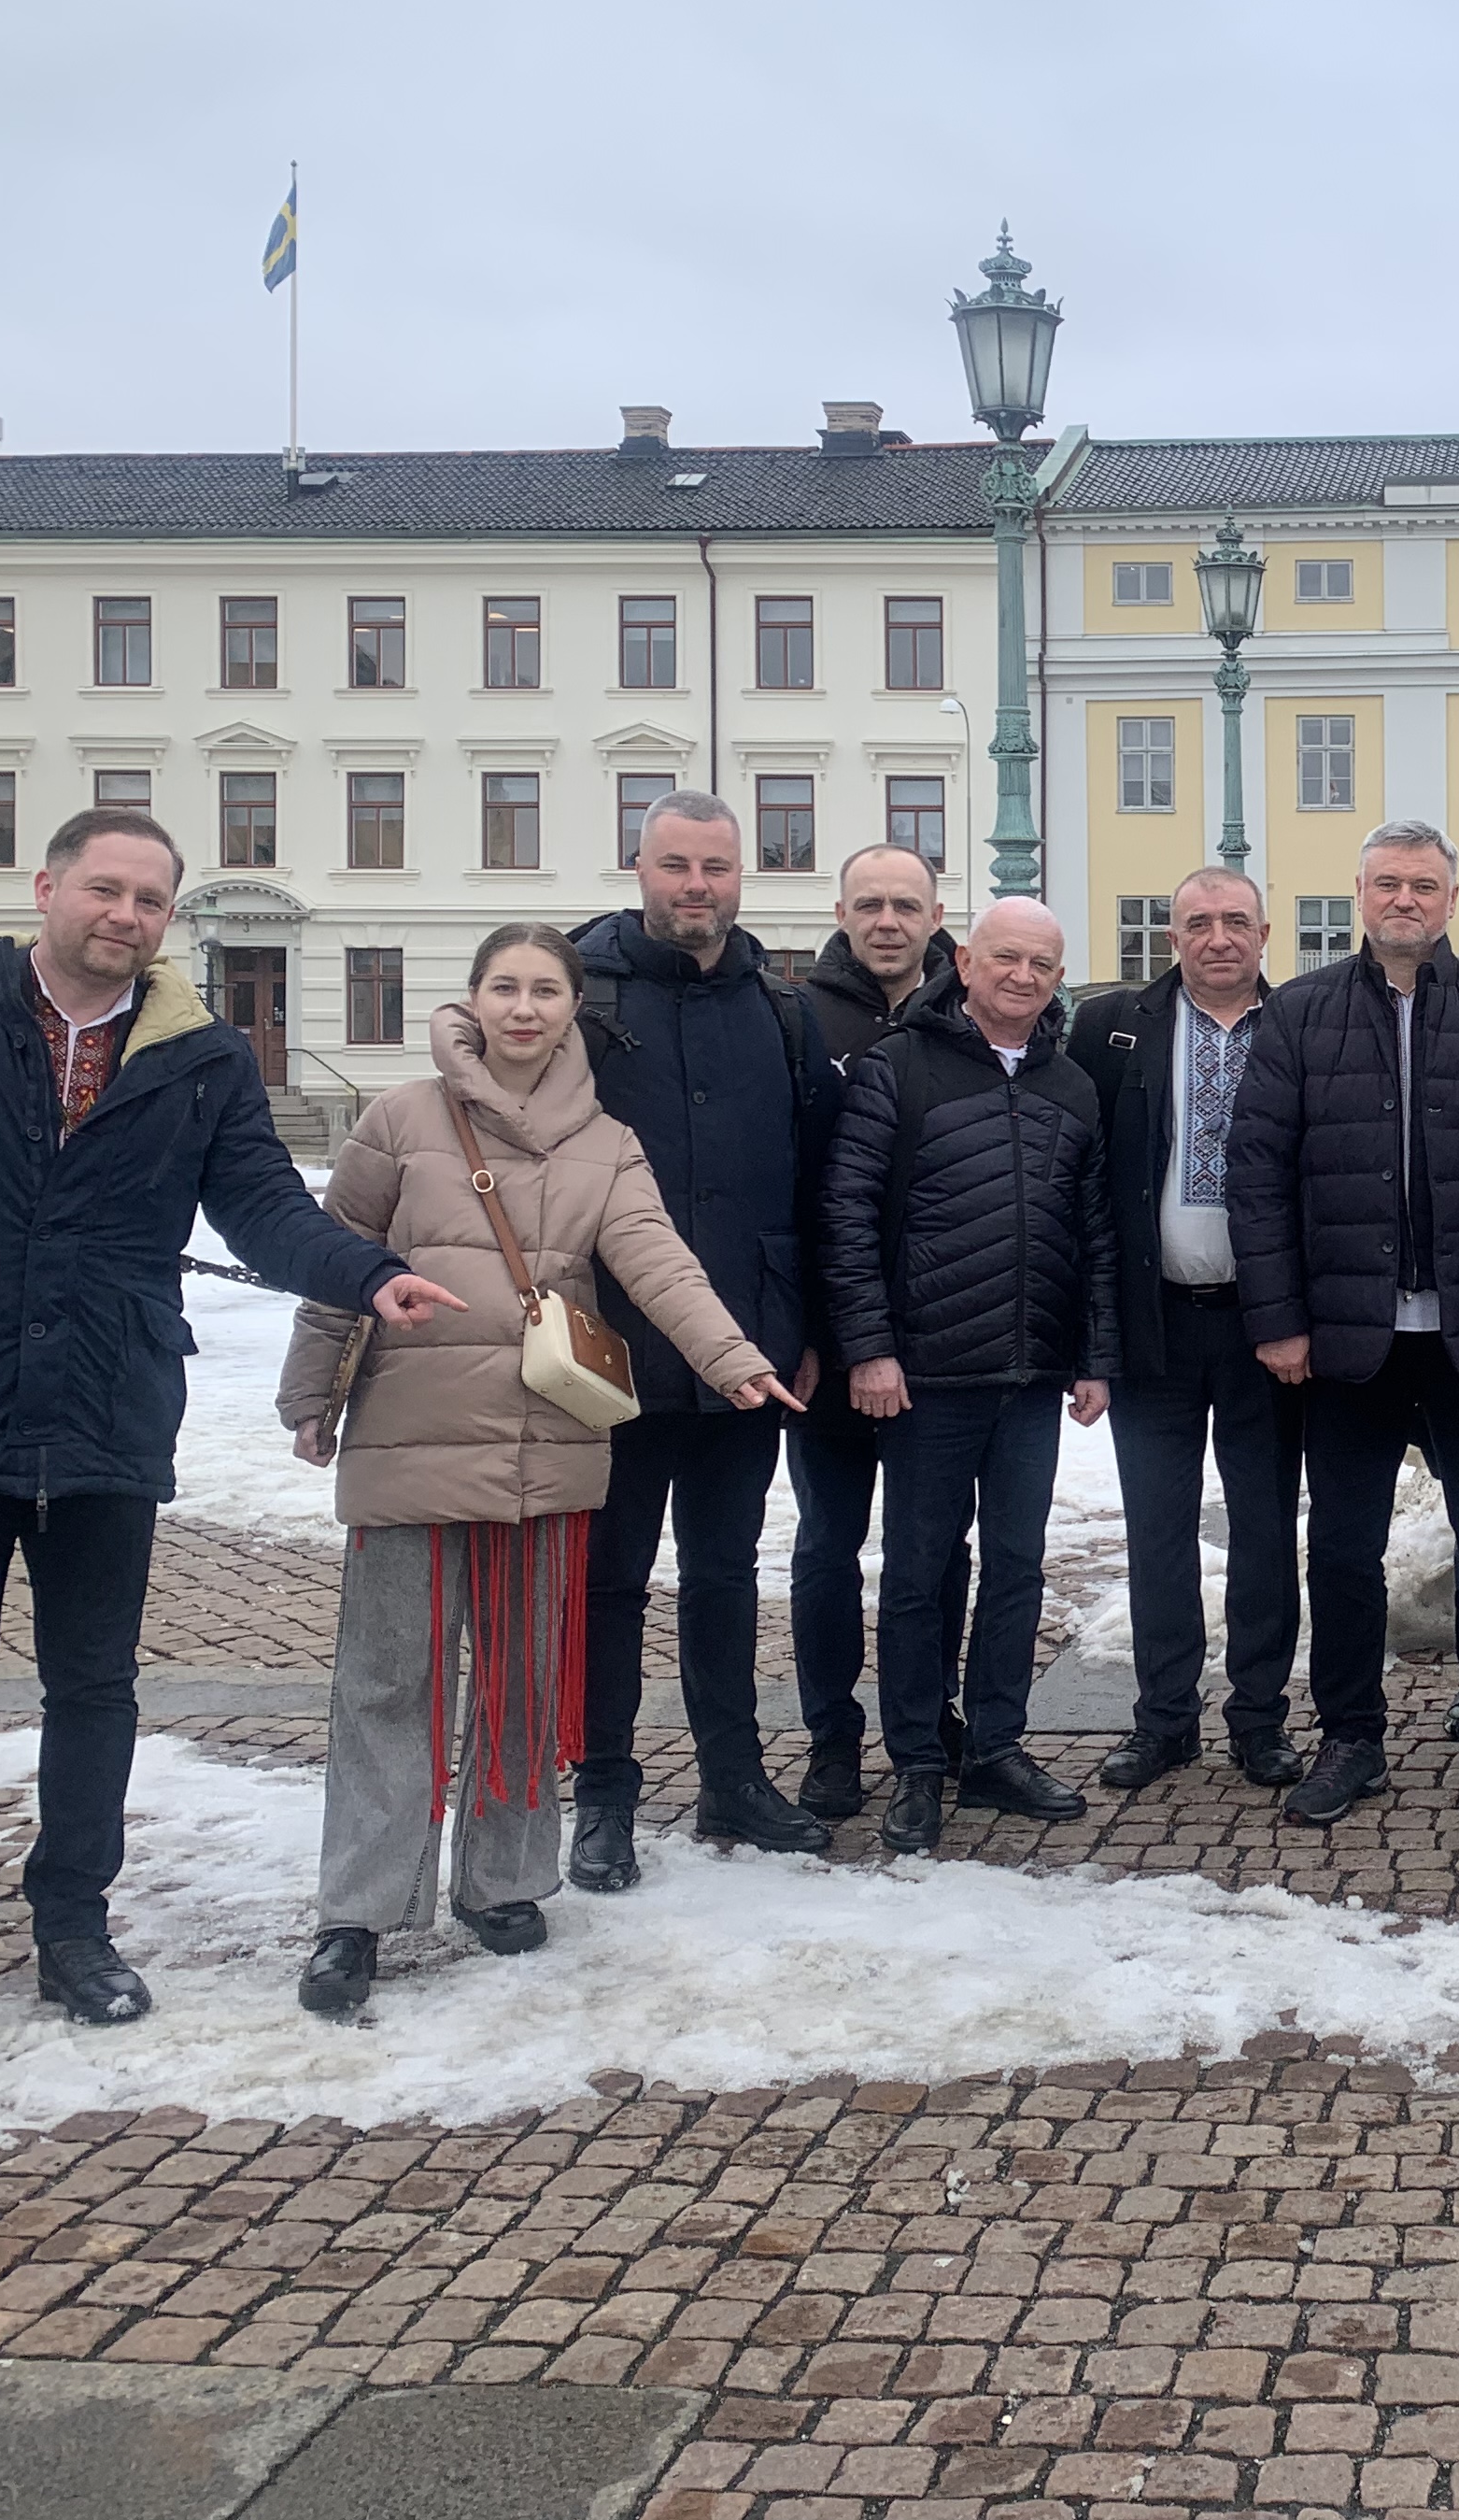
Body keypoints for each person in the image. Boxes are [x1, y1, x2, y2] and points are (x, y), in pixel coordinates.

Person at [0, 808, 462, 2064]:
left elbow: (259, 1205)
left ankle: (74, 1928)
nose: (125, 916)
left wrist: (365, 1274)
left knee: (96, 1689)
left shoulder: (199, 1055)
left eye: (149, 900)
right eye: (105, 889)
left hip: (104, 1408)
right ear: (48, 890)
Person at [277, 925, 799, 2019]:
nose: (524, 1008)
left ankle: (504, 1881)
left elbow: (660, 1264)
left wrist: (731, 1358)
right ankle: (358, 1911)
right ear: (473, 999)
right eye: (505, 988)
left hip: (540, 1445)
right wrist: (310, 1397)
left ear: (572, 1009)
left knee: (521, 1680)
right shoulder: (400, 1118)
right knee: (387, 1684)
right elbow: (336, 1269)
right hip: (411, 1436)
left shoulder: (606, 1142)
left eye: (546, 991)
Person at [1227, 820, 1459, 1829]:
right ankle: (1351, 1736)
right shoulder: (1299, 1014)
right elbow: (1258, 1177)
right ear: (1359, 894)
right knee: (1343, 1546)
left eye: (1424, 886)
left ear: (1453, 899)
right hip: (1347, 1337)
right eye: (1388, 884)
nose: (1405, 901)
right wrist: (1278, 1321)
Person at [564, 791, 840, 1890]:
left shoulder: (781, 1011)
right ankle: (603, 1793)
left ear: (741, 876)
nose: (696, 886)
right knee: (608, 1583)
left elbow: (815, 1183)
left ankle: (734, 1778)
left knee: (724, 1575)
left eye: (716, 867)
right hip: (611, 1348)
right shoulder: (580, 995)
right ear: (639, 867)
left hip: (745, 1347)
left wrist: (803, 1325)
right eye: (676, 865)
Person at [818, 897, 1118, 1852]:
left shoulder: (1071, 1083)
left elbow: (1095, 1233)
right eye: (1006, 958)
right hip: (927, 1375)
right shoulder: (899, 1067)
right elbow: (848, 1214)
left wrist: (1095, 1357)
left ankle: (995, 1746)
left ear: (1058, 978)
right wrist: (869, 1348)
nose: (1023, 977)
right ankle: (917, 1758)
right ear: (967, 962)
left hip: (1030, 1376)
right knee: (917, 1572)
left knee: (1018, 1568)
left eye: (1042, 964)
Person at [1070, 870, 1304, 1792]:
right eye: (1198, 923)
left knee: (1264, 1529)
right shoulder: (1111, 1027)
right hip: (1154, 1323)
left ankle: (1259, 1719)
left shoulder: (1301, 1026)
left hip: (1264, 1327)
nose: (1218, 937)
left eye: (1236, 921)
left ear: (1265, 934)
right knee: (1157, 1530)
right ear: (1173, 939)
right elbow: (1085, 1183)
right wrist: (1091, 1333)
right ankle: (1164, 1719)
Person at [786, 841, 966, 1815]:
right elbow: (788, 1185)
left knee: (937, 1550)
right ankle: (832, 1737)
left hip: (945, 1337)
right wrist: (806, 1330)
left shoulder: (973, 1017)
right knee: (828, 1546)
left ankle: (931, 1719)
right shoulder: (798, 1020)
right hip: (828, 1341)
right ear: (842, 914)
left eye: (906, 905)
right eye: (870, 905)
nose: (888, 921)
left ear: (936, 916)